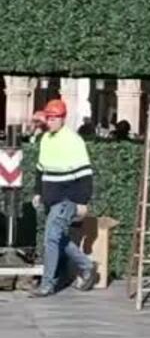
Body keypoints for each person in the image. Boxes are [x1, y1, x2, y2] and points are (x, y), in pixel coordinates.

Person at [30, 98, 97, 297]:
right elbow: (40, 170)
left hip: (67, 199)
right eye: (47, 117)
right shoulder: (45, 139)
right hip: (51, 198)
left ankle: (47, 284)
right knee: (57, 238)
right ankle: (87, 265)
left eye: (53, 118)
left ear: (62, 119)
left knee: (51, 238)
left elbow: (85, 175)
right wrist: (38, 192)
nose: (48, 121)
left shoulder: (74, 141)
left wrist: (82, 202)